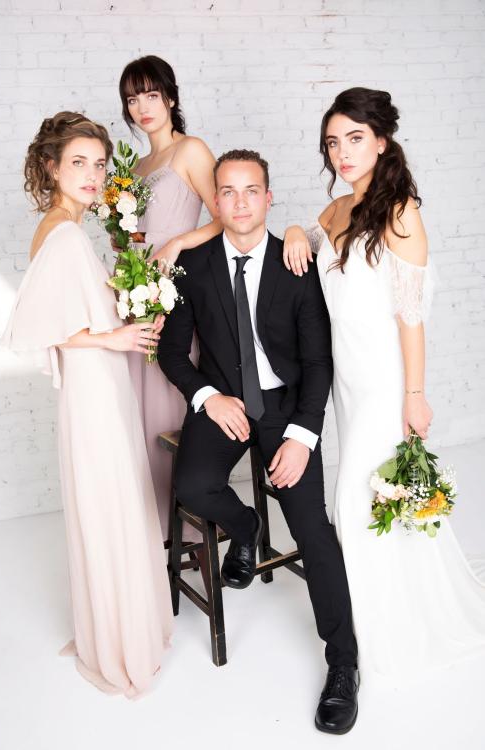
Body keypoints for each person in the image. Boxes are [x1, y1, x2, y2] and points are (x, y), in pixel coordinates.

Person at [283, 88, 485, 679]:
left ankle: (378, 626)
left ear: (381, 141)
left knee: (359, 497)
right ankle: (373, 611)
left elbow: (411, 312)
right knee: (375, 499)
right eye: (332, 142)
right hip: (346, 376)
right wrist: (296, 227)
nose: (341, 152)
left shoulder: (400, 210)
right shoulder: (338, 210)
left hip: (384, 379)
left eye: (353, 138)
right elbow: (312, 250)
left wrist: (414, 395)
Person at [158, 149, 360, 735]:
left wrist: (301, 437)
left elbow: (319, 361)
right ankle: (245, 529)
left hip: (285, 409)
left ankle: (343, 663)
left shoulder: (295, 262)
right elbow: (173, 351)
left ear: (269, 198)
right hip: (225, 399)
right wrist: (208, 399)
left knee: (312, 530)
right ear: (214, 200)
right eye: (228, 192)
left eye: (252, 191)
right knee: (194, 483)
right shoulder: (194, 265)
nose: (240, 202)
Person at [0, 112, 174, 698]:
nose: (93, 173)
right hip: (94, 389)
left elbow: (71, 314)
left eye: (100, 164)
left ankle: (117, 629)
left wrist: (130, 313)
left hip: (99, 386)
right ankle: (117, 642)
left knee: (113, 500)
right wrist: (113, 339)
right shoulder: (66, 232)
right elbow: (34, 325)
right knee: (111, 502)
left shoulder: (69, 228)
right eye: (79, 163)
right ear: (51, 167)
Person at [119, 55, 223, 541]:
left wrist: (178, 241)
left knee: (170, 404)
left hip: (181, 293)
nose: (142, 107)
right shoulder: (137, 165)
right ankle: (153, 533)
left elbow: (230, 218)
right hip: (140, 294)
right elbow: (136, 234)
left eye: (151, 95)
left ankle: (187, 531)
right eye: (132, 98)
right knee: (140, 408)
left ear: (171, 98)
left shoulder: (191, 150)